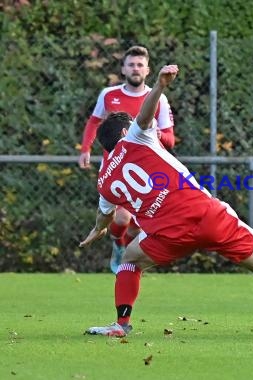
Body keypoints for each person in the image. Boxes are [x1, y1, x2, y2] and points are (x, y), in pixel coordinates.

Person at [79, 64, 253, 338]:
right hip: (207, 216)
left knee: (130, 260)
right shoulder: (135, 138)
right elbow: (146, 115)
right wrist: (159, 86)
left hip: (168, 234)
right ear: (125, 133)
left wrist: (96, 231)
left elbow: (104, 216)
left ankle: (121, 325)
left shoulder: (104, 181)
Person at [78, 45, 175, 273]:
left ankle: (130, 248)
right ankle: (119, 245)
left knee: (138, 223)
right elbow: (94, 121)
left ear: (148, 70)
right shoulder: (108, 95)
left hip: (146, 169)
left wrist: (149, 131)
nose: (135, 68)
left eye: (140, 65)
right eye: (131, 64)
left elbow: (170, 138)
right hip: (117, 168)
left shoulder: (158, 98)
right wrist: (85, 148)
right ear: (123, 69)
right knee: (120, 219)